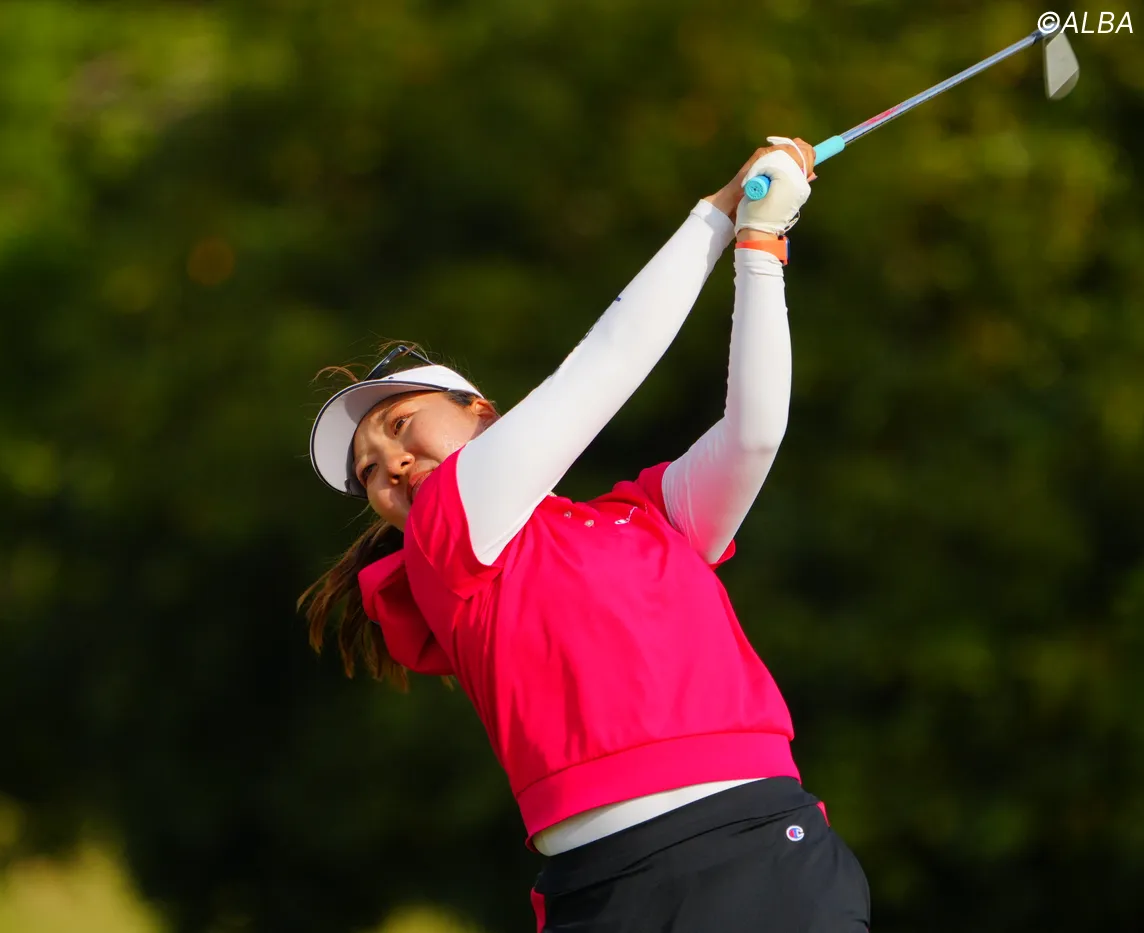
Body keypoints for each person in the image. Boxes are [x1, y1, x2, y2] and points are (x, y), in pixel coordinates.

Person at [298, 137, 871, 932]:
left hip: (762, 850)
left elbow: (754, 436)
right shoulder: (446, 541)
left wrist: (761, 245)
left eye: (399, 425)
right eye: (367, 471)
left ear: (482, 413)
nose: (389, 464)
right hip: (611, 893)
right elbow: (607, 363)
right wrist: (719, 210)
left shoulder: (647, 513)